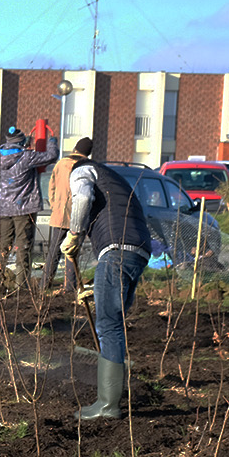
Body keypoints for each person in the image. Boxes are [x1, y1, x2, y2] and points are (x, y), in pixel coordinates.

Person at [61, 157, 151, 419]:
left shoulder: (82, 171)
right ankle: (109, 401)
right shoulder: (115, 181)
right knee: (114, 319)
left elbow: (83, 199)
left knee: (108, 326)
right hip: (139, 252)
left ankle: (107, 405)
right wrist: (96, 290)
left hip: (117, 251)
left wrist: (74, 233)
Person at [0, 125, 58, 293]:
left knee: (3, 247)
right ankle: (20, 286)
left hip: (4, 208)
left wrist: (25, 142)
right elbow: (51, 156)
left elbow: (15, 150)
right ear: (21, 142)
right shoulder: (26, 157)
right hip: (24, 208)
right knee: (23, 246)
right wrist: (52, 141)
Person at [41, 137, 92, 293]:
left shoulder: (61, 164)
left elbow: (52, 187)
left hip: (59, 214)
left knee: (53, 251)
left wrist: (55, 205)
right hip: (78, 216)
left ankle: (44, 285)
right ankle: (69, 286)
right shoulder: (86, 166)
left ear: (75, 148)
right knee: (72, 251)